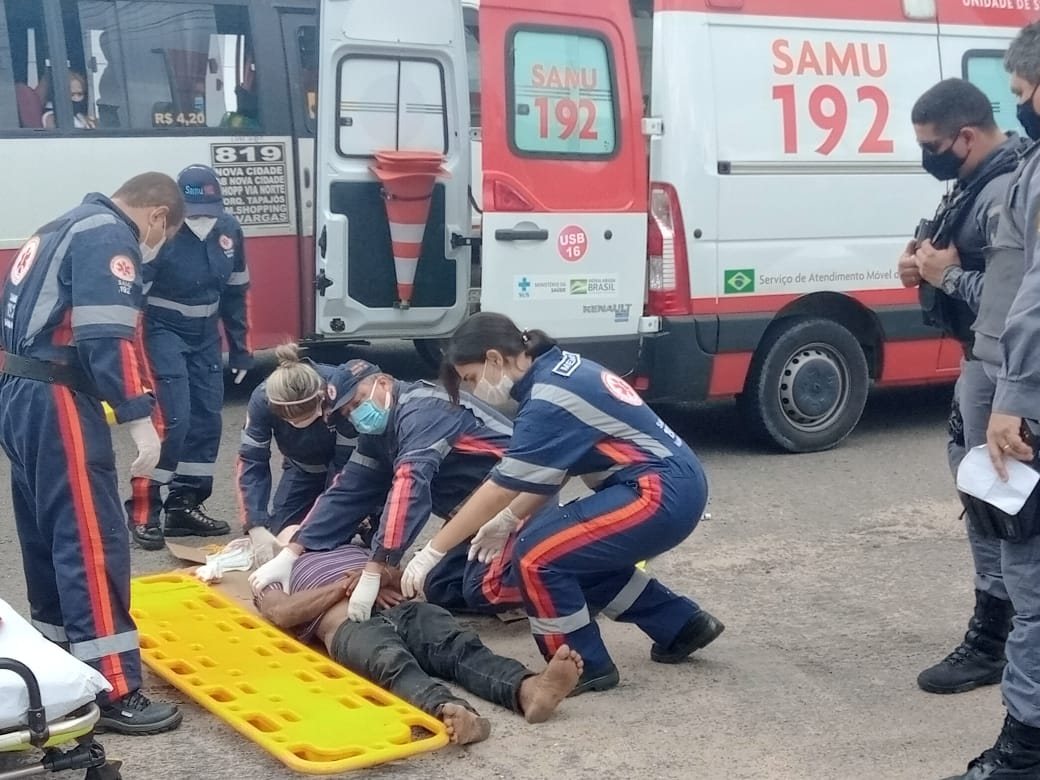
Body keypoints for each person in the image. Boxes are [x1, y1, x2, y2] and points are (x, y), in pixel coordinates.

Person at [401, 312, 723, 696]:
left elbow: (499, 486)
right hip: (673, 485)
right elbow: (553, 471)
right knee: (570, 553)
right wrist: (508, 519)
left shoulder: (547, 398)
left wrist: (432, 552)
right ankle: (681, 625)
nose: (474, 388)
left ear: (493, 358)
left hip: (657, 492)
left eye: (470, 378)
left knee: (535, 555)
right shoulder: (561, 372)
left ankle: (584, 666)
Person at [0, 172, 184, 734]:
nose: (154, 249)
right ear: (157, 216)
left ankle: (56, 668)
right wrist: (138, 418)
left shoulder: (57, 227)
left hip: (18, 390)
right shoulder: (109, 235)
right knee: (90, 540)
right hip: (57, 395)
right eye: (163, 237)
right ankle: (113, 689)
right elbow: (108, 336)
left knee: (47, 535)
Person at [896, 79, 1026, 696]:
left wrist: (944, 277)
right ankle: (998, 631)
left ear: (966, 136)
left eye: (932, 145)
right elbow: (955, 257)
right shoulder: (977, 179)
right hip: (983, 364)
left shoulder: (1006, 189)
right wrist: (922, 264)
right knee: (984, 496)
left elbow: (1011, 305)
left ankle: (997, 639)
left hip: (1005, 370)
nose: (927, 156)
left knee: (999, 505)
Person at [945, 22, 1040, 779]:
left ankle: (1024, 751)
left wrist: (1014, 395)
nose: (1023, 109)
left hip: (1027, 395)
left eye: (1023, 93)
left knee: (1030, 574)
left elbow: (1032, 299)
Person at [249, 359, 517, 623]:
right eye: (347, 412)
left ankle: (542, 565)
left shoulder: (423, 412)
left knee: (485, 590)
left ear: (384, 382)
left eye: (358, 402)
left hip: (518, 504)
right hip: (471, 518)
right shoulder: (378, 433)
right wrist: (293, 550)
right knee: (438, 586)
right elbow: (347, 491)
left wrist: (376, 566)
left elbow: (409, 489)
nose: (355, 414)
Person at [256, 543, 582, 744]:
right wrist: (352, 585)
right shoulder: (275, 569)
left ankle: (528, 690)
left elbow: (405, 577)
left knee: (458, 645)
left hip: (405, 610)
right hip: (348, 625)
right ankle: (452, 713)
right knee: (390, 664)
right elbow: (282, 612)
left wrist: (379, 575)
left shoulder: (358, 544)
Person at [126, 164, 253, 550]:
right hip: (163, 332)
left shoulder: (228, 229)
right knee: (172, 420)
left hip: (205, 337)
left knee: (206, 420)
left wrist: (241, 349)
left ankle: (184, 504)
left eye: (210, 212)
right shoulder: (163, 233)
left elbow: (236, 292)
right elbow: (134, 299)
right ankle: (144, 509)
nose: (202, 221)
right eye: (195, 212)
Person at [238, 344, 365, 564]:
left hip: (353, 468)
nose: (299, 423)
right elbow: (251, 461)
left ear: (320, 398)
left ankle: (366, 521)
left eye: (306, 416)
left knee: (330, 537)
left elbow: (344, 469)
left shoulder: (339, 389)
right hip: (302, 469)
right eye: (293, 421)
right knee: (281, 535)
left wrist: (328, 519)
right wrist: (255, 525)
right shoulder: (261, 400)